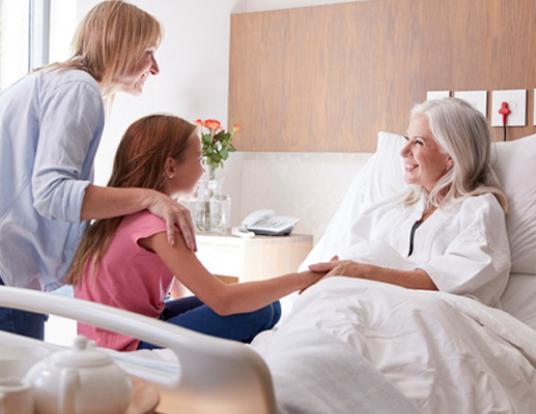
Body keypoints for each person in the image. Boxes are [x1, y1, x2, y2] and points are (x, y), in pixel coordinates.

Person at [0, 1, 196, 340]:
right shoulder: (78, 89)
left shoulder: (54, 82)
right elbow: (52, 194)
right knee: (16, 389)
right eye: (148, 52)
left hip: (12, 269)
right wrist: (151, 198)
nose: (155, 67)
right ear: (120, 46)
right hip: (8, 272)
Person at [67, 114, 325, 351]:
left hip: (125, 329)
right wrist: (305, 278)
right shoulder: (155, 225)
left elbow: (181, 287)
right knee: (258, 312)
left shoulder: (121, 216)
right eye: (199, 159)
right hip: (127, 343)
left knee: (267, 306)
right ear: (170, 167)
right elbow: (222, 300)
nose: (203, 169)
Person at [309, 98, 511, 306]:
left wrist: (362, 272)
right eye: (407, 139)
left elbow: (444, 282)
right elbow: (343, 265)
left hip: (434, 319)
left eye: (418, 142)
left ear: (450, 156)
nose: (403, 151)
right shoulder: (389, 210)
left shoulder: (478, 210)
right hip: (359, 309)